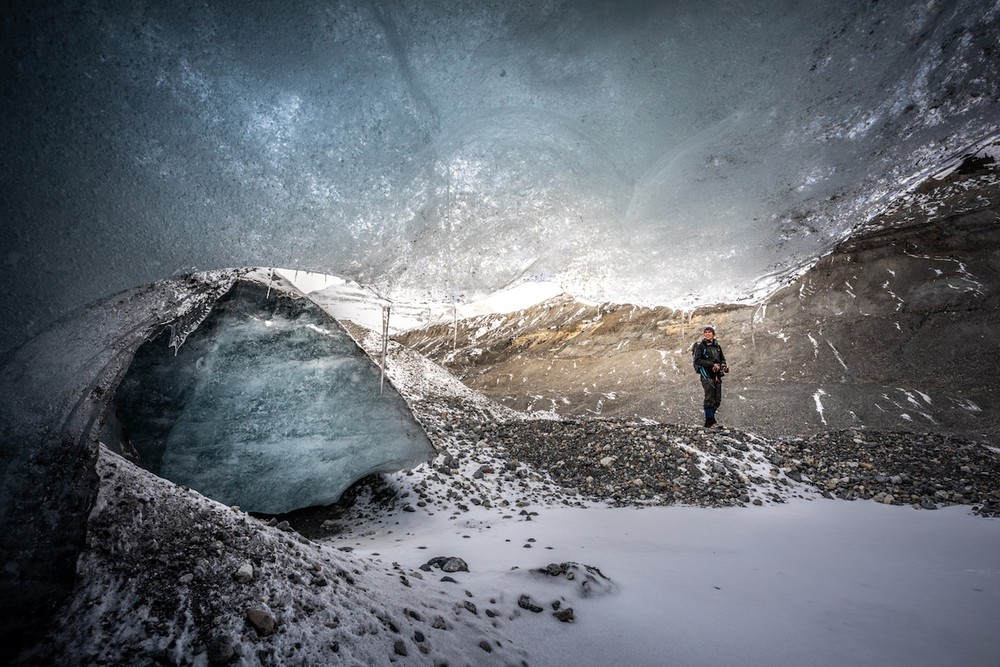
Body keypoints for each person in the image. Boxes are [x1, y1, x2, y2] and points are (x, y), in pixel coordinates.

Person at [692, 325, 729, 428]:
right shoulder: (701, 346)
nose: (707, 334)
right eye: (706, 332)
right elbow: (697, 360)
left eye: (709, 332)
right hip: (706, 374)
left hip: (717, 376)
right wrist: (712, 365)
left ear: (713, 334)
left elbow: (722, 358)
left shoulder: (717, 346)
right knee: (709, 398)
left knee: (717, 400)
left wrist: (723, 365)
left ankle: (710, 421)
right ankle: (710, 422)